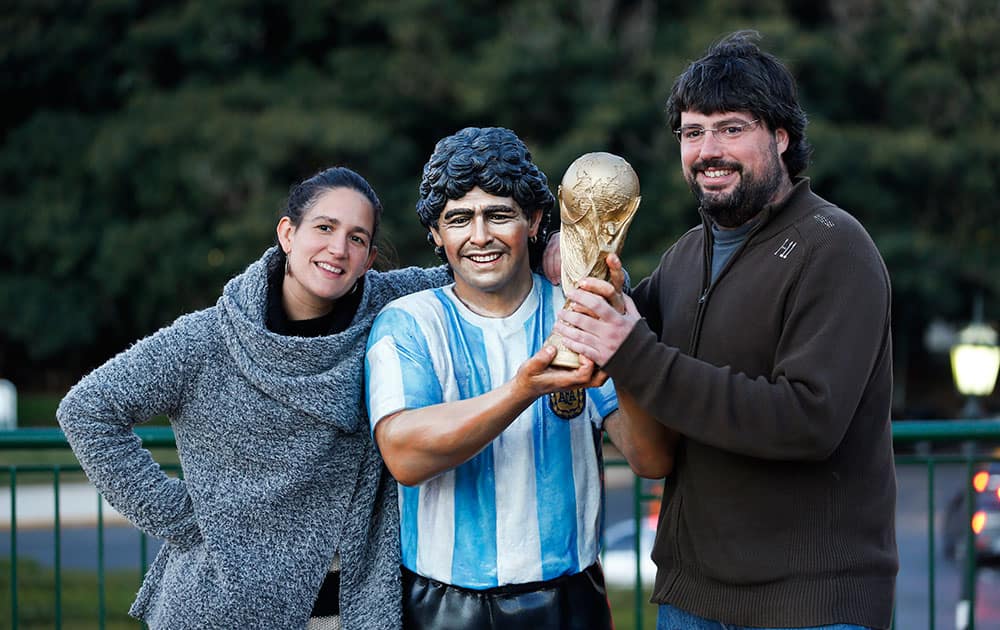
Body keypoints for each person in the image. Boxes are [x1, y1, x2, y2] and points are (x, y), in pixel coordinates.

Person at [552, 31, 899, 630]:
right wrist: (562, 254)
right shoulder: (688, 254)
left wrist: (630, 347)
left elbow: (806, 420)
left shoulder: (835, 248)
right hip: (693, 599)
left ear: (782, 138)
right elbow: (621, 329)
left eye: (731, 128)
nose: (709, 149)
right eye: (693, 132)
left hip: (811, 606)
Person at [56, 166, 454, 629]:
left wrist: (548, 245)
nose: (338, 249)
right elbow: (86, 410)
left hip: (350, 609)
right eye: (324, 228)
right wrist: (189, 522)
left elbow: (476, 265)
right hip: (221, 608)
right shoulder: (206, 339)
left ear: (368, 259)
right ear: (288, 233)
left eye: (357, 238)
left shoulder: (392, 306)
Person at [364, 126, 676, 630]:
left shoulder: (580, 311)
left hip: (569, 599)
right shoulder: (409, 322)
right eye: (459, 219)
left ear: (534, 221)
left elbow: (652, 459)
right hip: (443, 607)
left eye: (499, 214)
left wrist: (625, 352)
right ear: (437, 234)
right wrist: (522, 390)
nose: (480, 235)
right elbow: (405, 456)